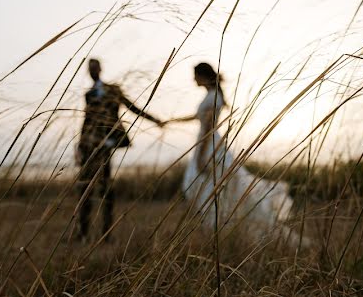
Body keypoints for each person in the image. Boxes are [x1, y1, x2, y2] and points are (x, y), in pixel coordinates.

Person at [166, 62, 295, 241]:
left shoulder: (213, 96)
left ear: (202, 76)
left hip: (209, 145)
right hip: (207, 144)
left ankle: (217, 228)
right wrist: (170, 121)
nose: (193, 79)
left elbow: (208, 128)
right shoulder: (212, 95)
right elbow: (198, 118)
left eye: (194, 75)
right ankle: (215, 228)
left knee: (207, 187)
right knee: (208, 188)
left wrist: (201, 156)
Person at [77, 58, 163, 240]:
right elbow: (87, 120)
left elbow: (132, 107)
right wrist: (80, 145)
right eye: (89, 68)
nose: (92, 71)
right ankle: (83, 232)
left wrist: (154, 120)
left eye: (94, 67)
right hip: (90, 145)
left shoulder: (113, 90)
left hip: (107, 145)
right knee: (85, 188)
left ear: (101, 69)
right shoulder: (89, 94)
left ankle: (106, 233)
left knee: (106, 187)